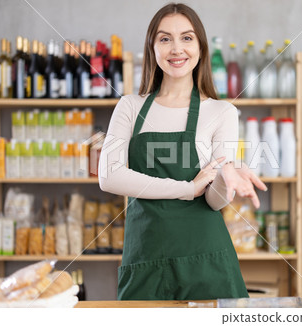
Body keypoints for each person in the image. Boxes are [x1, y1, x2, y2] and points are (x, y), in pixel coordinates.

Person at [98, 3, 267, 300]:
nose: (177, 48)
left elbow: (214, 202)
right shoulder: (130, 106)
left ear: (200, 46)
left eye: (187, 38)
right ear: (152, 48)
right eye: (165, 39)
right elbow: (109, 177)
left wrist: (225, 177)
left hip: (206, 259)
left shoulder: (221, 111)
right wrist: (186, 189)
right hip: (145, 258)